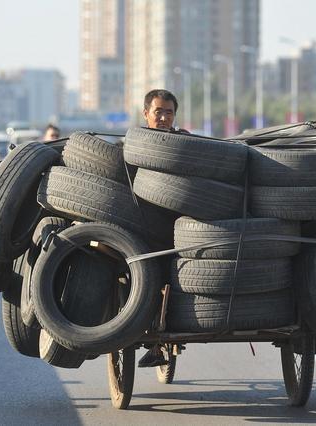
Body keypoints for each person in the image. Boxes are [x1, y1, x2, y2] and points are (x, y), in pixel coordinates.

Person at [136, 89, 186, 369]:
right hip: (147, 227)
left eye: (169, 112)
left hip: (186, 227)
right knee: (150, 280)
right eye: (159, 112)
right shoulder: (137, 144)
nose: (164, 117)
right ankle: (154, 340)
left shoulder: (186, 143)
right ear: (146, 114)